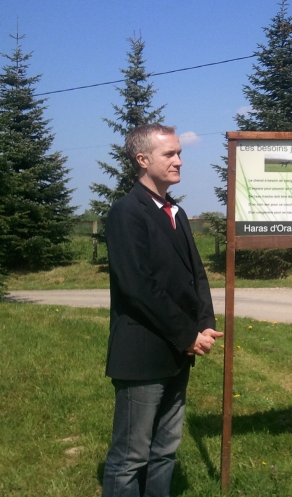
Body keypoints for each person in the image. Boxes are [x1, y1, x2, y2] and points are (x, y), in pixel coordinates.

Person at [102, 123, 223, 496]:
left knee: (165, 449)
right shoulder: (126, 212)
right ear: (142, 159)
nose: (179, 161)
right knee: (131, 455)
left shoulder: (177, 212)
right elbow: (138, 287)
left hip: (178, 351)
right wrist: (187, 334)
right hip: (142, 353)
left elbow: (195, 276)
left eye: (179, 153)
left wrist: (204, 325)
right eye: (169, 154)